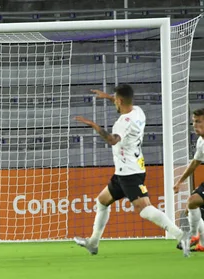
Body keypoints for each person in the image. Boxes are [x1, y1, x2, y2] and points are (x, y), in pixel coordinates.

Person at [74, 85, 190, 257]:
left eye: (115, 98)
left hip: (130, 173)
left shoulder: (123, 123)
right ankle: (93, 243)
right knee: (102, 201)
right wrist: (107, 97)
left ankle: (181, 236)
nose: (114, 101)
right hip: (125, 171)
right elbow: (122, 102)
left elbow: (113, 140)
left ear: (120, 101)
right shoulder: (138, 111)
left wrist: (94, 125)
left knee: (144, 208)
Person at [173, 108, 204, 252]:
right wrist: (180, 181)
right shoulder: (200, 142)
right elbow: (195, 163)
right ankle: (201, 242)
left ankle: (193, 235)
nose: (195, 125)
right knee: (190, 207)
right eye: (193, 122)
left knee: (192, 203)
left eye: (198, 122)